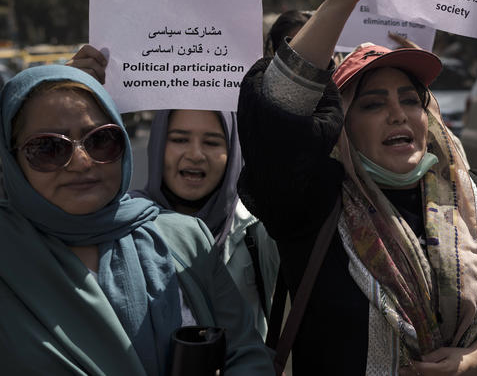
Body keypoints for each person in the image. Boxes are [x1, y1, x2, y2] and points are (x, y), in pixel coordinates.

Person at [236, 0, 477, 375]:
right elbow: (276, 116)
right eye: (373, 104)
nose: (398, 113)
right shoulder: (314, 201)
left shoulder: (471, 192)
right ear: (343, 125)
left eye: (409, 99)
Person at [0, 65, 274, 374]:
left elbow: (246, 355)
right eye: (48, 148)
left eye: (100, 140)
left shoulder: (185, 238)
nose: (80, 162)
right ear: (11, 159)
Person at [67, 47, 280, 339]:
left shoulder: (257, 230)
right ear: (157, 146)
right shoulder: (118, 227)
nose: (195, 155)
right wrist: (73, 90)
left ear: (232, 152)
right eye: (179, 139)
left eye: (212, 142)